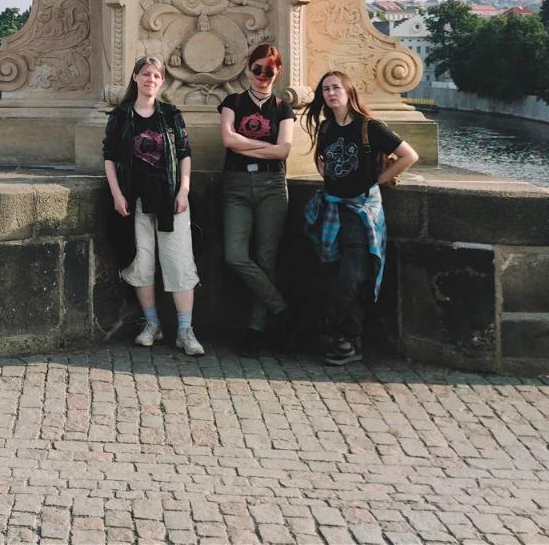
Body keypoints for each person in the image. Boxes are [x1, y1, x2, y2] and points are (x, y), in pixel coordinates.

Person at [302, 70, 418, 366]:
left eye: (336, 88)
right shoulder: (327, 128)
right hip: (332, 210)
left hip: (360, 211)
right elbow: (323, 161)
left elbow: (409, 155)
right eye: (326, 89)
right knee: (334, 276)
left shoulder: (369, 127)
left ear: (349, 92)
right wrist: (329, 175)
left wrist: (376, 180)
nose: (331, 93)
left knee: (349, 278)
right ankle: (345, 340)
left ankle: (344, 336)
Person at [102, 55, 204, 356]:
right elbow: (109, 157)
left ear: (162, 81)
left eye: (157, 76)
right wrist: (117, 194)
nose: (151, 80)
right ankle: (152, 323)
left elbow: (185, 153)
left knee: (179, 262)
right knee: (141, 263)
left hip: (170, 199)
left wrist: (184, 190)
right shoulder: (120, 116)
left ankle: (185, 330)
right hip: (134, 199)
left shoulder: (170, 114)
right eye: (146, 74)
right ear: (135, 77)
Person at [218, 43, 293, 356]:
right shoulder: (232, 102)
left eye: (269, 71)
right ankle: (281, 308)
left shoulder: (283, 107)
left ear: (277, 72)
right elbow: (227, 139)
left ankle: (256, 330)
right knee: (234, 254)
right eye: (257, 69)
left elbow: (284, 150)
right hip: (236, 186)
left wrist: (245, 144)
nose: (262, 76)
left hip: (272, 186)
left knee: (266, 258)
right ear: (248, 69)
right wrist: (267, 149)